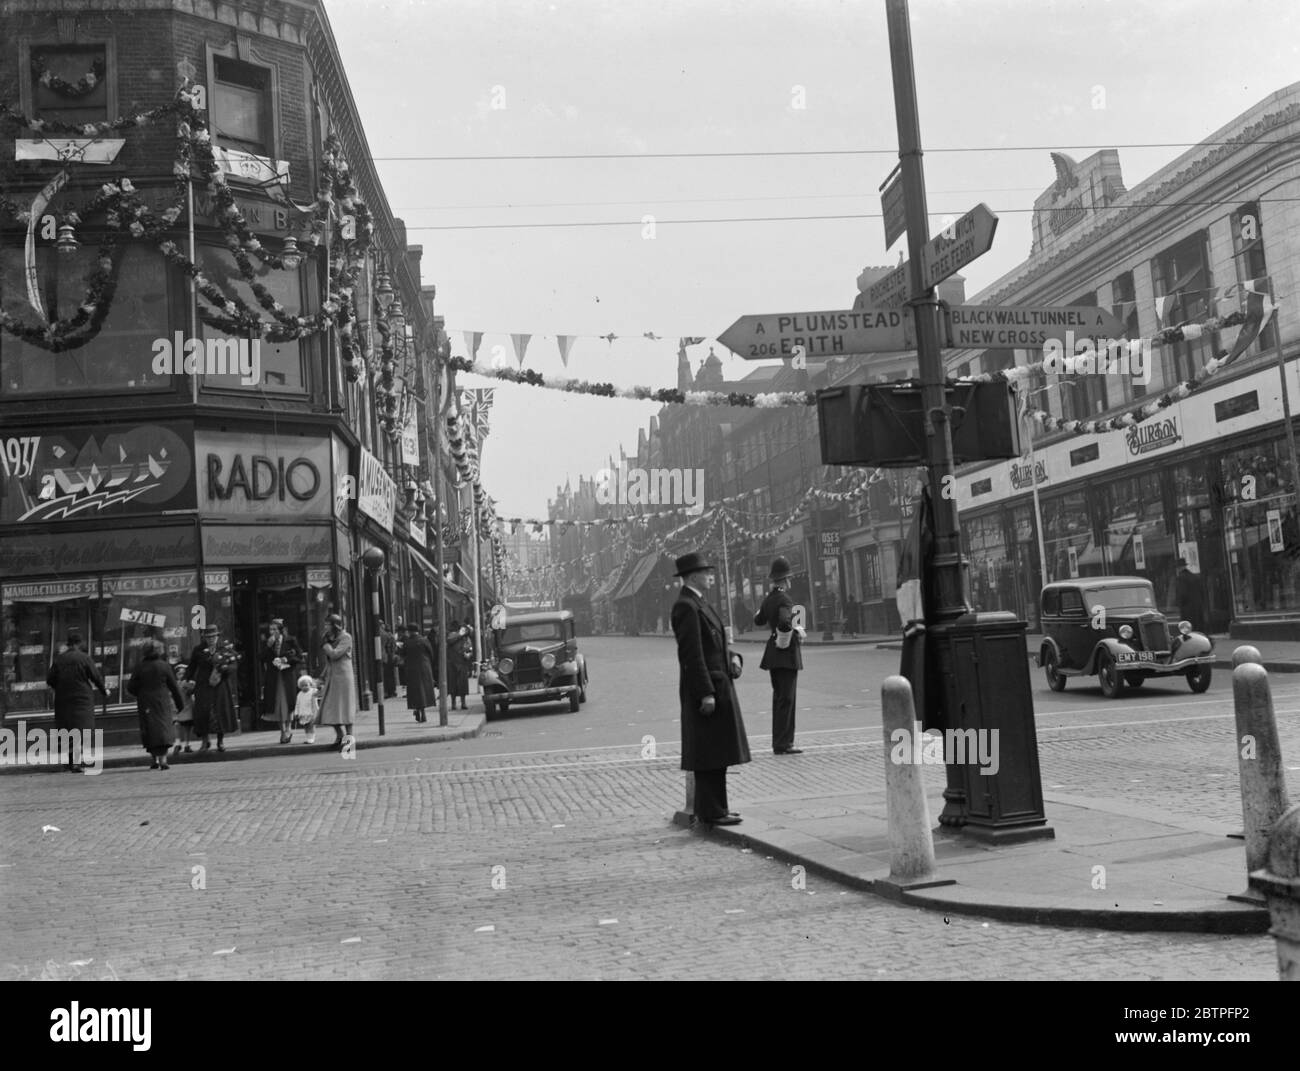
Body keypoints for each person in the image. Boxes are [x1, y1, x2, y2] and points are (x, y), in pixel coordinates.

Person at [671, 551, 751, 826]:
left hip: (719, 684)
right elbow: (692, 655)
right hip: (707, 690)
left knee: (719, 752)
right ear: (693, 576)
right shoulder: (686, 606)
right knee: (709, 754)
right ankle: (711, 811)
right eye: (706, 572)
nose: (711, 576)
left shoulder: (701, 603)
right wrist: (705, 692)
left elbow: (715, 645)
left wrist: (734, 659)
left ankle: (719, 807)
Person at [754, 555, 804, 755]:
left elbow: (758, 620)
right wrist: (794, 631)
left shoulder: (769, 599)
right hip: (785, 654)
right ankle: (785, 743)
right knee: (787, 699)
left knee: (779, 698)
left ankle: (779, 742)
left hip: (772, 655)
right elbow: (784, 622)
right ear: (785, 579)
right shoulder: (784, 599)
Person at [46, 629, 108, 772]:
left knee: (67, 730)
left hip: (63, 700)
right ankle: (76, 762)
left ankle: (69, 761)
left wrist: (60, 687)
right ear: (80, 643)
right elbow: (96, 677)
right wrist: (104, 691)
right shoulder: (85, 658)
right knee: (81, 730)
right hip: (82, 699)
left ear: (69, 644)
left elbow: (50, 679)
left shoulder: (59, 659)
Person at [127, 640, 184, 770]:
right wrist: (180, 705)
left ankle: (154, 759)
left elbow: (130, 687)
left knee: (150, 729)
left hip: (145, 702)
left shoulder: (140, 667)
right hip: (162, 701)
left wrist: (141, 694)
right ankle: (163, 759)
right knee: (163, 729)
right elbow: (174, 687)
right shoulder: (164, 666)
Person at [187, 625, 239, 752]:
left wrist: (225, 669)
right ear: (205, 638)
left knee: (220, 711)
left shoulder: (225, 649)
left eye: (213, 636)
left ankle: (220, 741)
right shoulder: (199, 650)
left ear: (217, 636)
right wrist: (187, 679)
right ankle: (205, 741)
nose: (211, 639)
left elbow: (234, 664)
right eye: (208, 637)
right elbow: (192, 666)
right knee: (204, 712)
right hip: (203, 685)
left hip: (220, 685)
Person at [318, 613, 357, 749]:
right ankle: (340, 735)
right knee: (329, 708)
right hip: (333, 676)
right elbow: (329, 661)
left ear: (335, 625)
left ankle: (348, 741)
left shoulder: (346, 637)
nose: (326, 627)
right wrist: (322, 676)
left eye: (328, 624)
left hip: (343, 677)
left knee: (344, 708)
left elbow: (335, 655)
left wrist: (326, 645)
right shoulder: (330, 639)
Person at [261, 618, 303, 744]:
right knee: (278, 703)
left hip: (287, 675)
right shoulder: (268, 643)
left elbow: (299, 656)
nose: (272, 632)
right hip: (274, 677)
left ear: (280, 630)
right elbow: (261, 658)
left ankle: (289, 729)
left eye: (274, 629)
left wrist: (286, 660)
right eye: (270, 629)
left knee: (288, 702)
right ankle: (282, 731)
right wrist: (268, 646)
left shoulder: (290, 640)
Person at [400, 624, 438, 722]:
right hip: (425, 668)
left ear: (409, 631)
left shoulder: (407, 642)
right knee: (424, 691)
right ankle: (423, 712)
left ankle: (417, 709)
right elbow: (431, 654)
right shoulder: (424, 640)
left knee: (415, 692)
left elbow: (402, 654)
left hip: (412, 669)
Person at [445, 620, 472, 711]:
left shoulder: (466, 639)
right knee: (453, 684)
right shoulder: (453, 635)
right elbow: (449, 640)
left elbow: (470, 649)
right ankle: (453, 703)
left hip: (463, 663)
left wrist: (468, 654)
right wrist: (459, 635)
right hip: (452, 663)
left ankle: (463, 702)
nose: (465, 632)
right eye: (464, 630)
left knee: (463, 684)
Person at [1175, 557, 1207, 631]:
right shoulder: (1195, 577)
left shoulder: (1181, 578)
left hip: (1187, 609)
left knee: (1188, 630)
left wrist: (1179, 604)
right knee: (1198, 628)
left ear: (1179, 568)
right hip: (1198, 608)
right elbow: (1202, 592)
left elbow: (1182, 594)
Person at [293, 673, 319, 745]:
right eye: (302, 686)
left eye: (306, 685)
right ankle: (308, 738)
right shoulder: (299, 694)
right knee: (306, 726)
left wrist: (316, 686)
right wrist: (296, 713)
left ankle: (312, 738)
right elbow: (297, 704)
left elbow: (318, 692)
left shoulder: (313, 691)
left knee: (311, 726)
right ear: (300, 687)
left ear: (310, 685)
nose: (304, 687)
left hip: (311, 712)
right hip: (303, 713)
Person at [379, 620, 398, 699]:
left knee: (386, 675)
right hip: (387, 657)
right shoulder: (387, 635)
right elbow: (392, 647)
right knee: (389, 675)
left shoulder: (383, 634)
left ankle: (387, 691)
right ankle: (390, 691)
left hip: (384, 657)